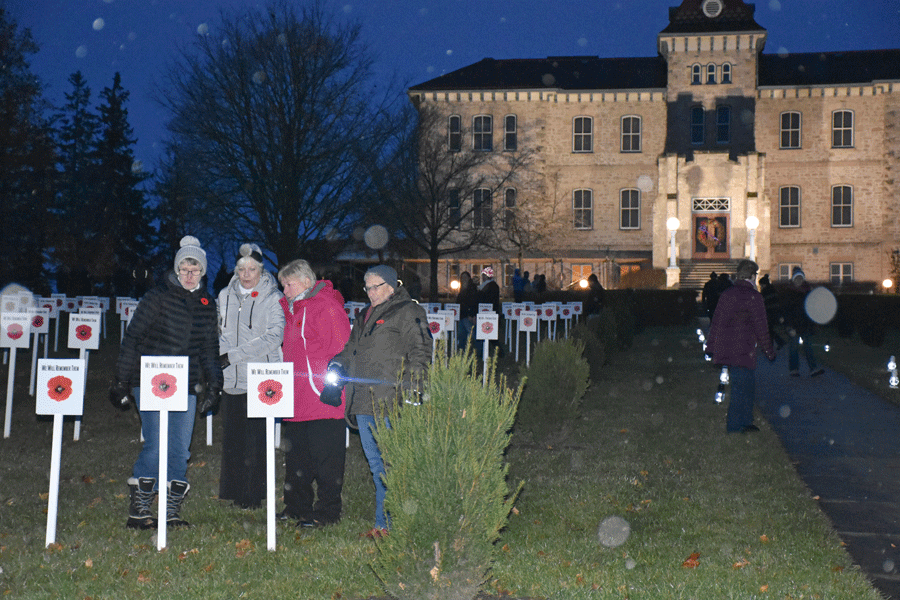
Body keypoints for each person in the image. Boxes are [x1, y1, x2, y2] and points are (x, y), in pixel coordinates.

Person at [109, 236, 223, 529]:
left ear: (203, 272)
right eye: (184, 268)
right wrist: (121, 381)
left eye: (195, 270)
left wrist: (214, 386)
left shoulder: (207, 304)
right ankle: (140, 508)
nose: (189, 275)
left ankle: (171, 510)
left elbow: (209, 348)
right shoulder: (156, 297)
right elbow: (132, 338)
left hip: (185, 383)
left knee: (180, 449)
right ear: (176, 268)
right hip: (150, 379)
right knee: (156, 444)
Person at [329, 265, 432, 537]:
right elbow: (351, 349)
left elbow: (421, 350)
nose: (371, 292)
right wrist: (337, 365)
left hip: (392, 400)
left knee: (392, 465)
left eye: (376, 286)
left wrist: (416, 389)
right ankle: (383, 524)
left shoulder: (408, 311)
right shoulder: (364, 315)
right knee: (377, 466)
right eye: (367, 287)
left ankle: (396, 524)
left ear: (391, 286)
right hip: (364, 400)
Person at [276, 259, 351, 527]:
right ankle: (296, 506)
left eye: (289, 284)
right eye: (282, 284)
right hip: (295, 400)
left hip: (322, 398)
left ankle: (328, 512)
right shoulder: (292, 310)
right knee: (297, 459)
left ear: (307, 282)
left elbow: (343, 349)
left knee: (326, 462)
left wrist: (334, 386)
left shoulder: (327, 307)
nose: (283, 290)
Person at [216, 244, 285, 510]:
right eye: (242, 269)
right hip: (230, 378)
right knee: (233, 438)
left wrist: (233, 355)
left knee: (256, 439)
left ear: (261, 270)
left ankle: (254, 494)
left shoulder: (272, 296)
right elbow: (220, 332)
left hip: (260, 376)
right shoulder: (224, 295)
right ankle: (234, 491)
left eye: (252, 269)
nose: (247, 274)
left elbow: (273, 337)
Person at [705, 259, 776, 433]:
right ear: (752, 276)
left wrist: (711, 346)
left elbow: (717, 322)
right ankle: (736, 425)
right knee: (743, 388)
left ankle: (744, 422)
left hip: (729, 348)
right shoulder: (754, 297)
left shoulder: (728, 294)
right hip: (744, 349)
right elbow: (761, 327)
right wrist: (768, 350)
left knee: (743, 385)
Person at [781, 267, 824, 377]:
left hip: (805, 324)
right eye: (797, 278)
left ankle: (813, 368)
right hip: (793, 324)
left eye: (801, 278)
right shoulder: (789, 292)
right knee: (794, 347)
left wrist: (814, 323)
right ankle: (793, 369)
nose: (799, 281)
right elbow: (786, 310)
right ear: (794, 279)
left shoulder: (808, 292)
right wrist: (788, 326)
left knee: (808, 346)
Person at [758, 274, 785, 350]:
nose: (761, 287)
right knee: (771, 330)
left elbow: (763, 302)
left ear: (764, 284)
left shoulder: (765, 292)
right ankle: (779, 342)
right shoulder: (772, 289)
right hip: (774, 312)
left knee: (769, 331)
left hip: (770, 313)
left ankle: (771, 346)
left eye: (761, 285)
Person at [455, 271, 478, 350]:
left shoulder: (471, 288)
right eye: (462, 278)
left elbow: (473, 302)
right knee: (462, 334)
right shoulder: (463, 289)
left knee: (472, 333)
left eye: (465, 277)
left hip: (467, 315)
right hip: (462, 315)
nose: (463, 279)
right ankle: (462, 350)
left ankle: (480, 349)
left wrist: (472, 315)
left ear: (468, 278)